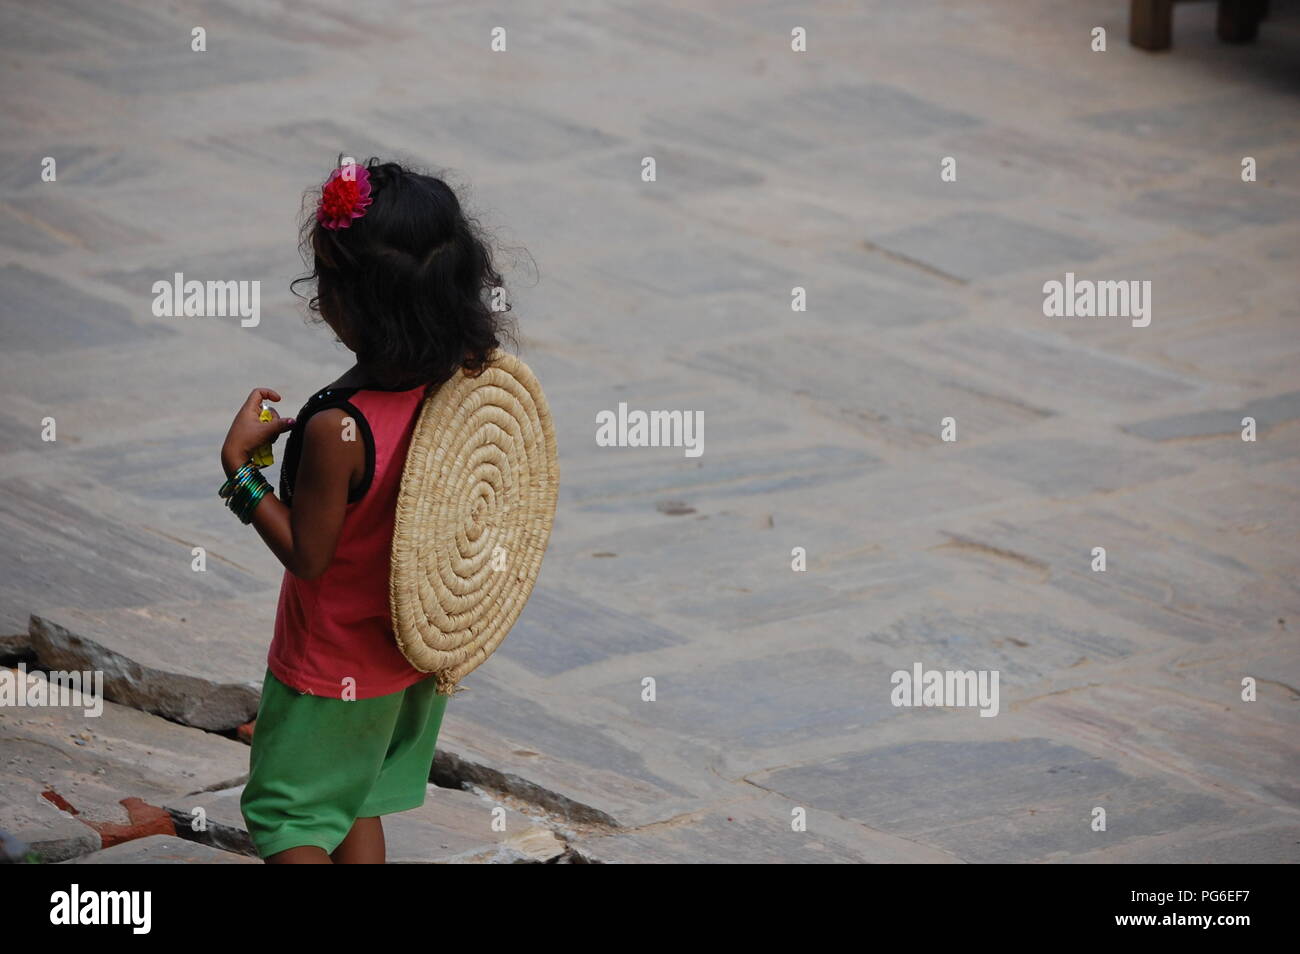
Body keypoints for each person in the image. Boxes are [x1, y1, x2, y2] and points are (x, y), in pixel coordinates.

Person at [217, 158, 515, 863]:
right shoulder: (463, 379)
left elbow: (308, 554)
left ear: (353, 304)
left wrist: (239, 472)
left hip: (327, 666)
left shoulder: (336, 427)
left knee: (286, 815)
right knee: (355, 799)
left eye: (324, 277)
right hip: (408, 656)